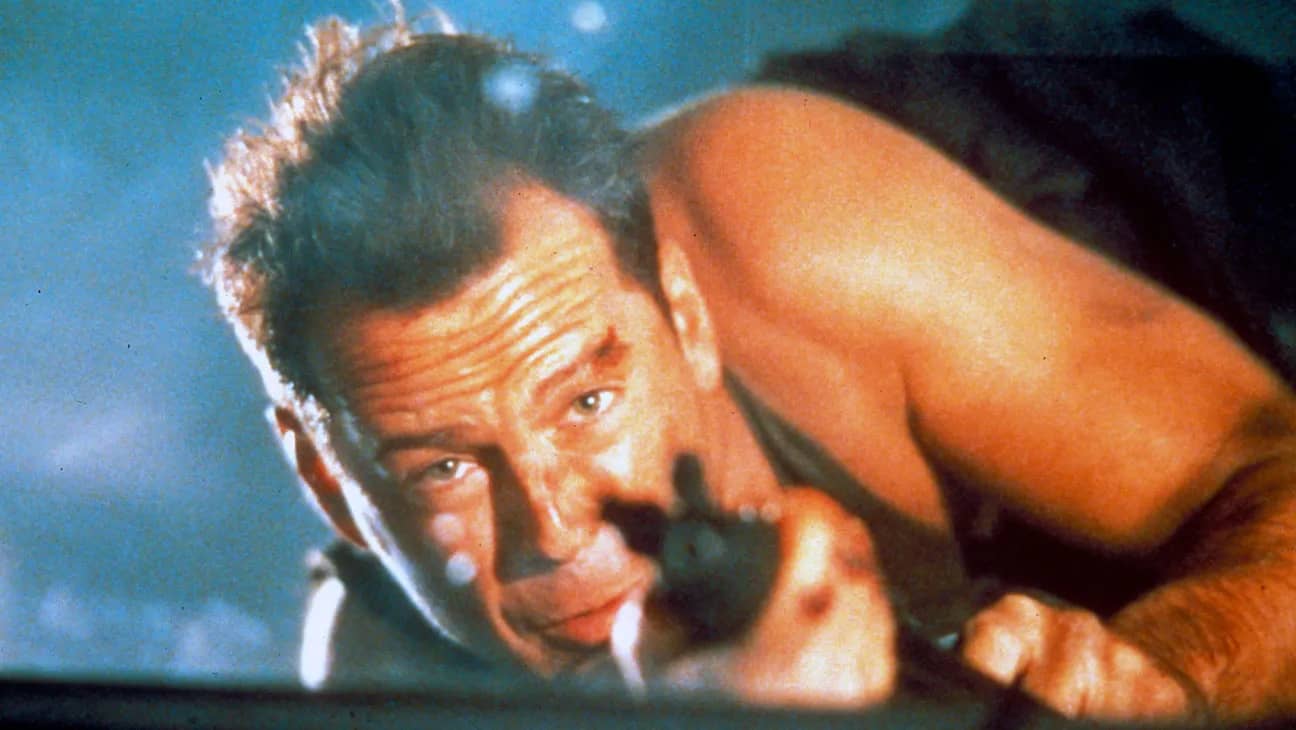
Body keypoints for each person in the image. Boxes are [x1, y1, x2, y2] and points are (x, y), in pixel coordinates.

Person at [199, 11, 1296, 722]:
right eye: (444, 467)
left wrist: (1172, 672)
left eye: (587, 400)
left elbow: (1277, 478)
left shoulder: (796, 237)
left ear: (685, 314)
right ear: (329, 484)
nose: (558, 530)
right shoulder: (386, 683)